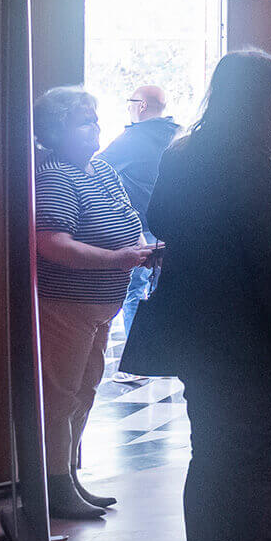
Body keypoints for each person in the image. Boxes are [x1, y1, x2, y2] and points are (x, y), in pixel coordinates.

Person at [119, 49, 271, 541]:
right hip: (250, 341)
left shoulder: (184, 153)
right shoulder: (251, 166)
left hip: (198, 339)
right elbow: (270, 267)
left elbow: (159, 218)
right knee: (265, 465)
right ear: (259, 96)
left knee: (212, 457)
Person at [32, 87, 154, 519]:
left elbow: (128, 220)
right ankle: (55, 487)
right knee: (60, 397)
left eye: (95, 118)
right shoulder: (54, 175)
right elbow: (51, 243)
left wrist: (143, 251)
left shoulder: (101, 169)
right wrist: (117, 258)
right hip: (65, 305)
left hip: (102, 306)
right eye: (83, 121)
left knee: (84, 393)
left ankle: (68, 478)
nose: (95, 126)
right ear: (55, 131)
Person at [97, 84, 180, 349]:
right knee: (163, 290)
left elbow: (95, 166)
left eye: (130, 102)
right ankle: (164, 355)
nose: (128, 107)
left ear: (141, 105)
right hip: (172, 225)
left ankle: (138, 359)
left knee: (134, 291)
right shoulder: (179, 135)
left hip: (139, 225)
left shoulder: (132, 138)